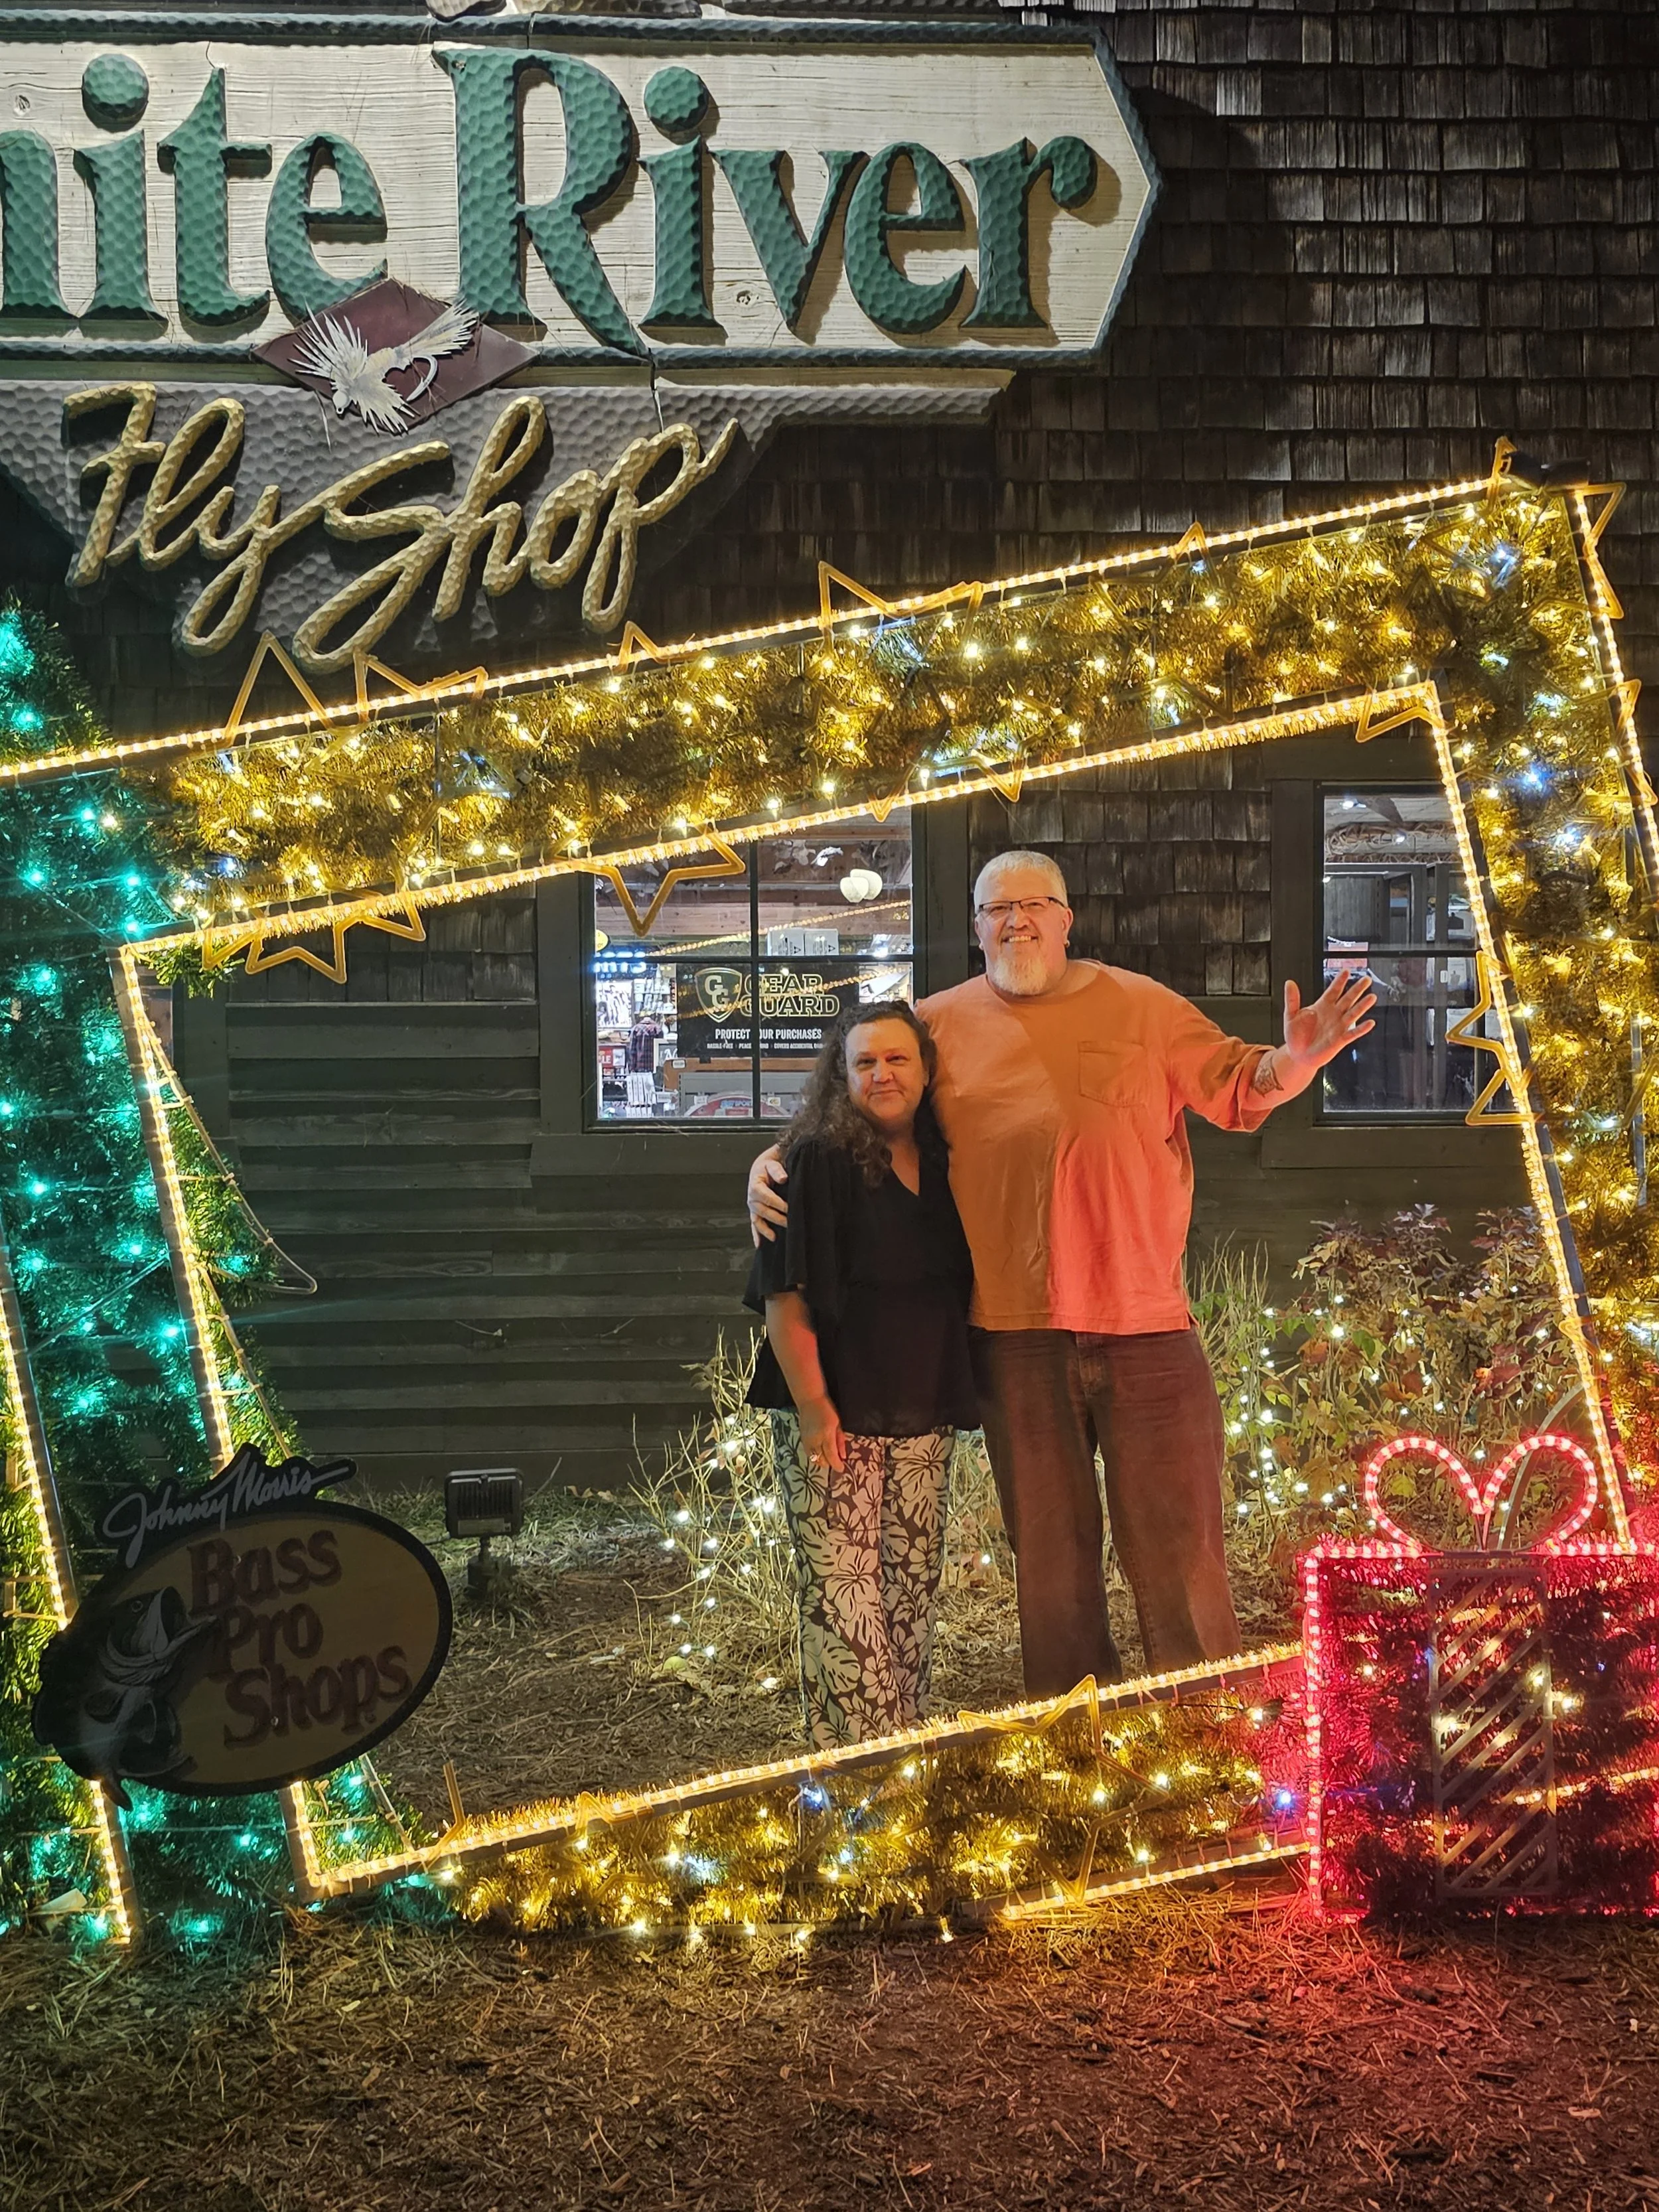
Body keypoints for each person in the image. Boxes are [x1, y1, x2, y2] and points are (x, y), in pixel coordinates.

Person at [749, 851, 1374, 1698]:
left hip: (1148, 1327)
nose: (1016, 921)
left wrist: (1297, 1062)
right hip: (1013, 1336)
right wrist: (767, 1163)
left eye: (1035, 904)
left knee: (1183, 1554)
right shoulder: (934, 1025)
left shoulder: (1141, 1006)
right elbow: (854, 1100)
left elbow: (1240, 1085)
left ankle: (1202, 1732)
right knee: (1049, 1567)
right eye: (995, 909)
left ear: (1067, 916)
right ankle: (1079, 1743)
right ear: (975, 928)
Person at [744, 1001, 977, 1747]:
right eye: (864, 1062)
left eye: (897, 1059)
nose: (882, 1074)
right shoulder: (817, 1161)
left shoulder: (946, 1160)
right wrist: (815, 1408)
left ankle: (905, 1759)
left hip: (920, 1411)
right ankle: (858, 1784)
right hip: (834, 1412)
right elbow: (784, 1298)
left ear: (925, 1070)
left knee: (908, 1599)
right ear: (840, 1078)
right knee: (847, 1607)